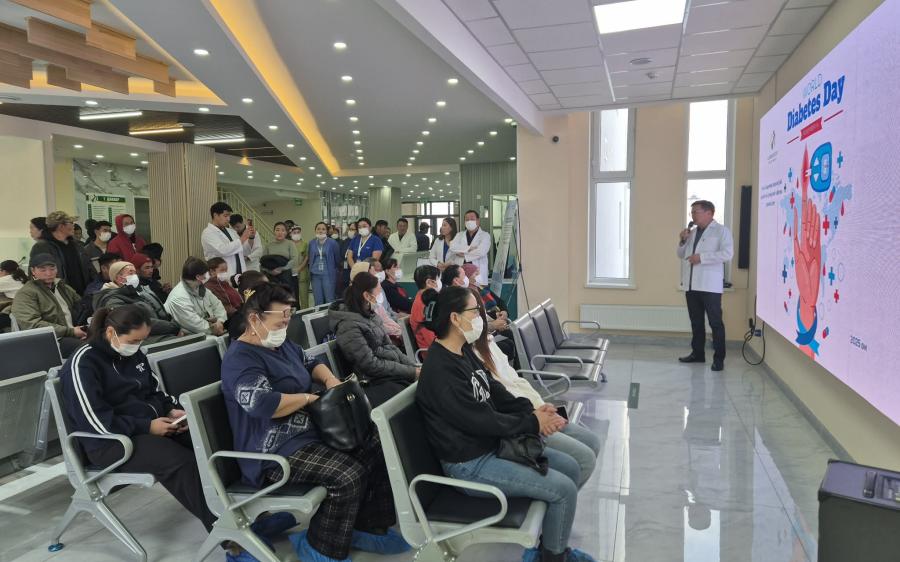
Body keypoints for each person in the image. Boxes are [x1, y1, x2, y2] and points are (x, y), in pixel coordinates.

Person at [221, 283, 408, 562]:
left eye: (289, 316)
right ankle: (320, 547)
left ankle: (366, 525)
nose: (286, 324)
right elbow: (261, 404)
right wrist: (308, 398)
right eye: (281, 319)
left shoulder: (282, 345)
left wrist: (330, 380)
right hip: (272, 450)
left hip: (310, 432)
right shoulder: (240, 359)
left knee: (376, 445)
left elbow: (310, 363)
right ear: (254, 319)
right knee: (347, 475)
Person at [415, 286, 596, 562]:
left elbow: (494, 391)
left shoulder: (463, 352)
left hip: (490, 446)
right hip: (470, 464)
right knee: (563, 490)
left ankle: (551, 546)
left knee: (572, 467)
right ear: (455, 318)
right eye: (475, 312)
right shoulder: (440, 370)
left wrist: (532, 409)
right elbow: (481, 421)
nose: (480, 318)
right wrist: (532, 423)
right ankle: (553, 557)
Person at [59, 305, 216, 535]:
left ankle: (240, 509)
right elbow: (94, 421)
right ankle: (226, 531)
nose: (138, 346)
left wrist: (171, 410)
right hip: (109, 442)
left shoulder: (132, 353)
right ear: (111, 332)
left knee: (206, 439)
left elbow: (153, 391)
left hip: (145, 428)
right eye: (134, 340)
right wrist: (147, 426)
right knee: (179, 461)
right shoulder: (83, 363)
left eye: (142, 340)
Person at [468, 288, 600, 487]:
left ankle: (564, 493)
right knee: (583, 460)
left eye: (479, 313)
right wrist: (535, 415)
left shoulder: (488, 343)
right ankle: (562, 494)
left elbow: (517, 380)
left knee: (592, 442)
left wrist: (540, 405)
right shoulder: (468, 357)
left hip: (532, 408)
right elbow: (501, 399)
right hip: (522, 420)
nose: (480, 318)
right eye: (474, 313)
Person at [329, 272, 418, 407]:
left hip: (391, 372)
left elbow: (390, 346)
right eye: (378, 291)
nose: (380, 295)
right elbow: (370, 365)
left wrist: (413, 367)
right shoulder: (348, 326)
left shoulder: (370, 314)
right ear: (367, 295)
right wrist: (410, 372)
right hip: (375, 380)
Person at [677, 200, 734, 372]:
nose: (693, 215)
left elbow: (727, 254)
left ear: (709, 213)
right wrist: (682, 241)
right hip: (691, 285)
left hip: (710, 286)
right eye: (692, 212)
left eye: (696, 212)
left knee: (715, 323)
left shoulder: (722, 231)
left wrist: (701, 258)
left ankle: (719, 359)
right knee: (696, 322)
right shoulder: (692, 232)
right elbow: (680, 254)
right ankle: (698, 354)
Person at [11, 254, 86, 357]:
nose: (48, 273)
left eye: (52, 269)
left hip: (73, 333)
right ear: (33, 271)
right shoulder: (26, 293)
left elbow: (82, 306)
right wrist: (71, 331)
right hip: (51, 341)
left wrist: (85, 329)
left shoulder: (62, 287)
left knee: (103, 342)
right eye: (43, 270)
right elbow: (32, 325)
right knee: (89, 348)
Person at [94, 261, 180, 342]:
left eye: (135, 273)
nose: (135, 276)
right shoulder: (112, 299)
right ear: (119, 278)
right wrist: (172, 328)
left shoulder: (140, 291)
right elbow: (134, 323)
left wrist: (174, 326)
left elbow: (161, 312)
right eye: (131, 273)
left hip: (162, 331)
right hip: (139, 338)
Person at [31, 211, 95, 296]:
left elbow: (90, 269)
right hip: (58, 297)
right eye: (71, 223)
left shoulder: (77, 246)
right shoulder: (42, 247)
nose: (73, 226)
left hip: (83, 295)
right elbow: (35, 276)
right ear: (61, 226)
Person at [164, 257, 227, 336]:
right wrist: (213, 328)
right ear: (198, 277)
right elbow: (194, 324)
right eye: (205, 274)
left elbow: (217, 305)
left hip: (209, 330)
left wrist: (220, 321)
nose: (207, 276)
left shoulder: (200, 288)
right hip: (189, 335)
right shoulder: (178, 297)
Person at [201, 202, 251, 279]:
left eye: (229, 216)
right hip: (222, 275)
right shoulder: (208, 233)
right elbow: (223, 250)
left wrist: (251, 238)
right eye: (225, 216)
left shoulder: (231, 231)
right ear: (215, 215)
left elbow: (243, 250)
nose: (228, 219)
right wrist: (242, 238)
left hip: (240, 272)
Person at [450, 210, 492, 286]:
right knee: (461, 292)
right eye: (467, 219)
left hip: (478, 272)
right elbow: (452, 247)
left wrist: (464, 255)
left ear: (478, 221)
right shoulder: (459, 235)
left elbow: (481, 252)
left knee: (477, 292)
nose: (469, 221)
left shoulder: (485, 235)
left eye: (472, 219)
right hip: (461, 272)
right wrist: (469, 248)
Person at [409, 265, 441, 352]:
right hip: (432, 352)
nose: (440, 282)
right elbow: (431, 340)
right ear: (429, 282)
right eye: (438, 279)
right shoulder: (422, 305)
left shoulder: (428, 299)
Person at [309, 222, 341, 306]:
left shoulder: (333, 243)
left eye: (323, 229)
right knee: (317, 299)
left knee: (329, 299)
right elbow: (310, 257)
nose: (320, 231)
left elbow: (337, 259)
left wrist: (334, 269)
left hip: (328, 275)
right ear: (315, 231)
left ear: (327, 231)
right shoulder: (312, 243)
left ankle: (330, 314)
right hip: (315, 274)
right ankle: (318, 314)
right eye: (318, 229)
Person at [205, 257, 243, 322]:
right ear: (212, 271)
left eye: (226, 270)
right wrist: (239, 313)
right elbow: (222, 307)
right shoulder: (209, 287)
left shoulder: (224, 283)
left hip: (240, 312)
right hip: (231, 318)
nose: (225, 272)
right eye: (222, 270)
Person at [262, 222, 298, 288]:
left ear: (286, 233)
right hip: (271, 276)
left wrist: (281, 269)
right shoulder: (268, 245)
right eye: (277, 230)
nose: (280, 232)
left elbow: (294, 259)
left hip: (287, 276)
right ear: (274, 232)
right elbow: (262, 262)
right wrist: (270, 271)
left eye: (283, 230)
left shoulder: (290, 244)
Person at [290, 225, 311, 310]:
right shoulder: (288, 244)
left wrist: (299, 268)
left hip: (302, 273)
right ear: (291, 234)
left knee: (303, 297)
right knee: (293, 298)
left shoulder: (305, 244)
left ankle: (305, 313)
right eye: (294, 232)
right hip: (291, 273)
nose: (296, 234)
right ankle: (295, 315)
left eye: (298, 232)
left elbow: (307, 257)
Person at [336, 222, 357, 298]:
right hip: (344, 270)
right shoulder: (345, 241)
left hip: (354, 270)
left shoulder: (358, 242)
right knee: (343, 292)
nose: (350, 231)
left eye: (352, 229)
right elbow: (340, 255)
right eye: (349, 229)